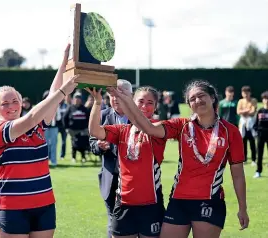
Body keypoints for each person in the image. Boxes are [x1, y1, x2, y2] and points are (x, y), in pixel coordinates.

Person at [109, 80, 249, 238]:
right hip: (178, 200)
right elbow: (148, 127)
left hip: (209, 200)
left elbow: (237, 174)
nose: (198, 101)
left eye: (201, 96)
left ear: (213, 98)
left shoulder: (231, 131)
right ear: (189, 105)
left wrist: (242, 208)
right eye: (192, 99)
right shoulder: (182, 126)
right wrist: (126, 99)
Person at [0, 44, 80, 238]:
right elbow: (31, 117)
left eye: (15, 101)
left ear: (21, 103)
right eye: (5, 103)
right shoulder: (0, 131)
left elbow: (52, 93)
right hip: (13, 207)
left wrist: (64, 61)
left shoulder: (38, 126)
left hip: (44, 205)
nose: (11, 106)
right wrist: (64, 92)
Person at [87, 85, 167, 238]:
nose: (144, 106)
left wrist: (126, 101)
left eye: (150, 102)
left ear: (156, 106)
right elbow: (95, 131)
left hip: (151, 204)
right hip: (124, 204)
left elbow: (147, 126)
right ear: (132, 102)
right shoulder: (122, 130)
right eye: (141, 101)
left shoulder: (159, 128)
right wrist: (97, 102)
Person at [89, 79, 132, 238]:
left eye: (119, 93)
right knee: (113, 220)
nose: (114, 97)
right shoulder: (101, 115)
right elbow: (92, 142)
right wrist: (98, 146)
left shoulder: (139, 117)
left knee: (131, 220)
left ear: (129, 95)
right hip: (110, 177)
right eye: (111, 94)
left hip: (134, 180)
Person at [63, 91, 89, 163]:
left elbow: (89, 118)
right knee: (73, 144)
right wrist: (67, 128)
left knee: (83, 144)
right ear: (73, 99)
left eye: (79, 98)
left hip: (83, 130)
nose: (77, 100)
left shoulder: (84, 109)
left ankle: (83, 157)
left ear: (81, 100)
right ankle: (73, 157)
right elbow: (64, 118)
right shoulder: (70, 108)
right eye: (76, 98)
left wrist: (87, 128)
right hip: (73, 130)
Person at [237, 86, 257, 164]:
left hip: (251, 123)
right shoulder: (240, 101)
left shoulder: (253, 100)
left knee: (252, 142)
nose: (245, 95)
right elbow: (238, 111)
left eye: (247, 93)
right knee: (243, 142)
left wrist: (243, 111)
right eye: (244, 93)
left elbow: (253, 112)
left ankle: (254, 159)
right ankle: (244, 159)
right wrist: (247, 110)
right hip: (243, 124)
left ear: (250, 93)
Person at [253, 91, 268, 178]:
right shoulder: (260, 111)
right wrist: (258, 131)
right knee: (259, 154)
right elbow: (255, 124)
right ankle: (258, 171)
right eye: (265, 99)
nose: (266, 100)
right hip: (260, 136)